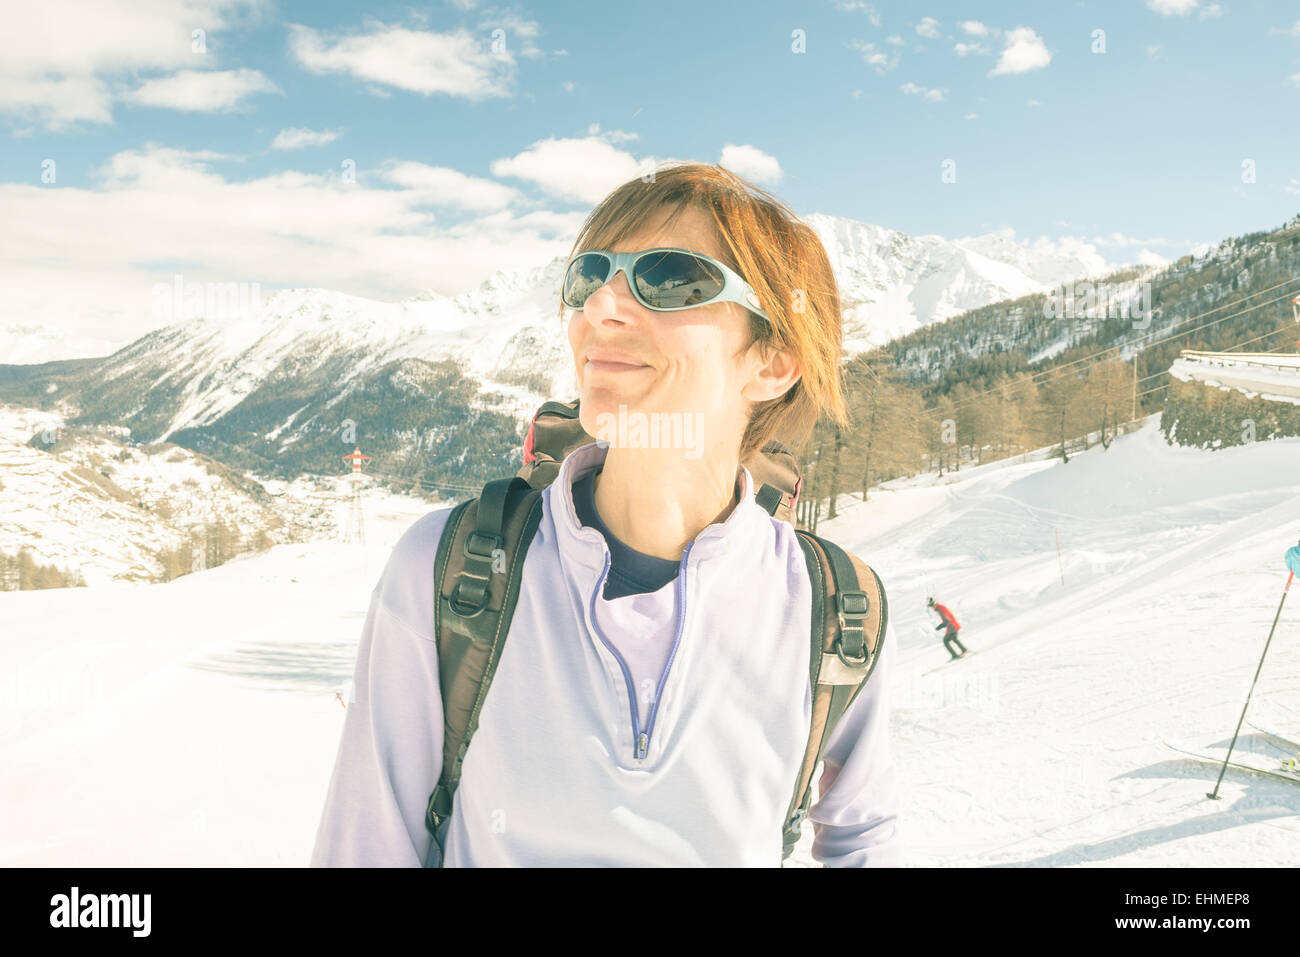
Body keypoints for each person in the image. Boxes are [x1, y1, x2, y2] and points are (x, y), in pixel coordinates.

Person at [309, 163, 900, 867]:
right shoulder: (454, 568)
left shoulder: (834, 609)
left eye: (672, 278)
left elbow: (865, 835)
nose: (601, 308)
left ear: (773, 362)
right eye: (590, 276)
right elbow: (365, 848)